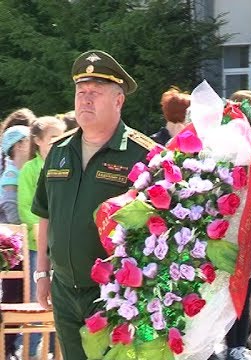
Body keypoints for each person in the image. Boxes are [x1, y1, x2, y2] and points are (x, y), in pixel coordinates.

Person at [31, 50, 157, 360]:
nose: (85, 99)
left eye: (95, 93)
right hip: (63, 289)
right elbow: (45, 214)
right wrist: (42, 274)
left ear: (118, 100)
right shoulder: (59, 151)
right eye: (81, 92)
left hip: (116, 292)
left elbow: (160, 230)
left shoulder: (143, 155)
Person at [17, 116, 66, 359]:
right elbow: (26, 207)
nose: (59, 142)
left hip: (61, 247)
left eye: (62, 136)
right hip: (37, 247)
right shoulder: (30, 169)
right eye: (53, 138)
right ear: (37, 141)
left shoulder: (67, 163)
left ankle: (54, 349)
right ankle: (27, 347)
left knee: (61, 300)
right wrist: (43, 229)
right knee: (37, 298)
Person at [0, 125, 31, 359]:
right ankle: (7, 347)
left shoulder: (22, 171)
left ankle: (11, 346)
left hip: (21, 245)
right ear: (19, 145)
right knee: (12, 296)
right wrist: (26, 229)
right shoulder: (11, 174)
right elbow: (9, 209)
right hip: (12, 249)